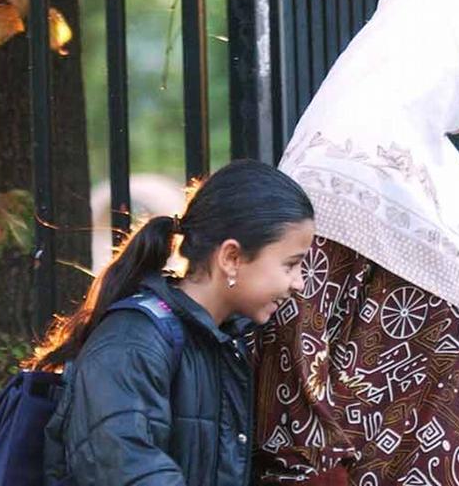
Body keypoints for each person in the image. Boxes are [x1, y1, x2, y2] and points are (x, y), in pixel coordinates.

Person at [253, 0, 459, 486]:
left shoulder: (435, 169)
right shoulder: (347, 159)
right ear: (447, 58)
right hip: (361, 470)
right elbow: (297, 326)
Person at [30, 159, 315, 485]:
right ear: (231, 258)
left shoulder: (225, 341)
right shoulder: (132, 342)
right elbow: (125, 469)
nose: (299, 283)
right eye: (291, 264)